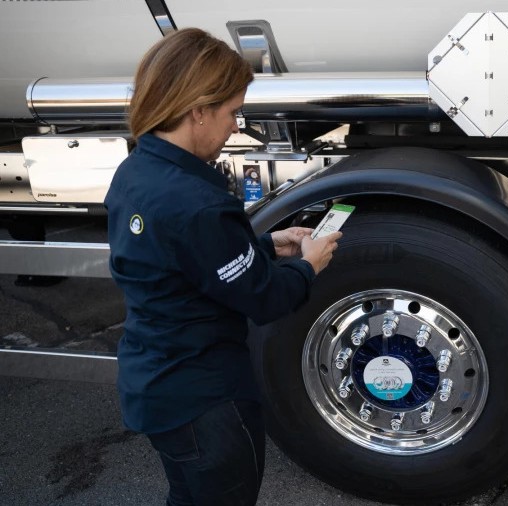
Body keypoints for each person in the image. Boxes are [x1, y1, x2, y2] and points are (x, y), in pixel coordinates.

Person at [103, 28, 341, 505]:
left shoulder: (137, 172)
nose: (236, 126)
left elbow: (183, 257)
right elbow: (266, 298)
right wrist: (309, 265)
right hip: (206, 401)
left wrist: (264, 243)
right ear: (198, 110)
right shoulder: (198, 202)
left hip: (154, 387)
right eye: (233, 111)